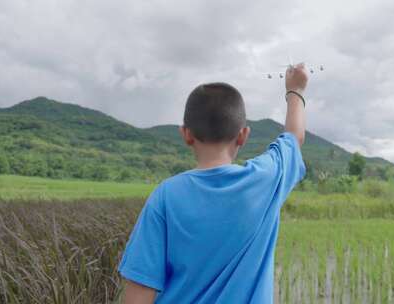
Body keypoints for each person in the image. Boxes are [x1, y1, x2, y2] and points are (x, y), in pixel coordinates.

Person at [118, 63, 308, 303]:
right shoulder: (266, 179)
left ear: (186, 134)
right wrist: (295, 90)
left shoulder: (165, 196)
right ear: (243, 135)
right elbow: (294, 137)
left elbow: (139, 294)